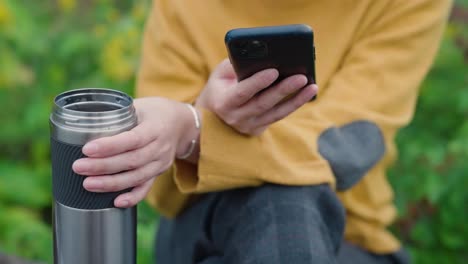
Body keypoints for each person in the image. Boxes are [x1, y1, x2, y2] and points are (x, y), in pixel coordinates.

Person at [72, 0, 453, 263]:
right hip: (201, 227)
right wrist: (181, 129)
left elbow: (351, 144)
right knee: (283, 207)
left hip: (350, 238)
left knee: (287, 205)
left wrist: (193, 128)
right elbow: (161, 185)